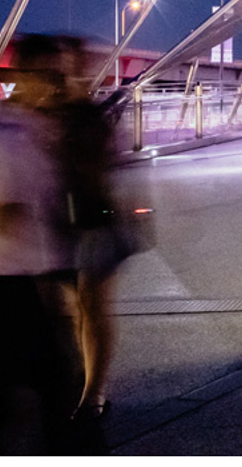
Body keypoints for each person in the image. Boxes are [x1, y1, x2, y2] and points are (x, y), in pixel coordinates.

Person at [0, 34, 103, 454]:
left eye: (59, 77)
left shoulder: (33, 129)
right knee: (28, 396)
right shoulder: (3, 137)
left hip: (14, 282)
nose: (56, 86)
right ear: (22, 77)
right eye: (49, 76)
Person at [53, 40, 138, 421]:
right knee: (75, 308)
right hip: (62, 222)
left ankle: (94, 391)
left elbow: (108, 167)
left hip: (98, 220)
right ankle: (85, 379)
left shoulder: (90, 115)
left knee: (94, 306)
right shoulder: (53, 113)